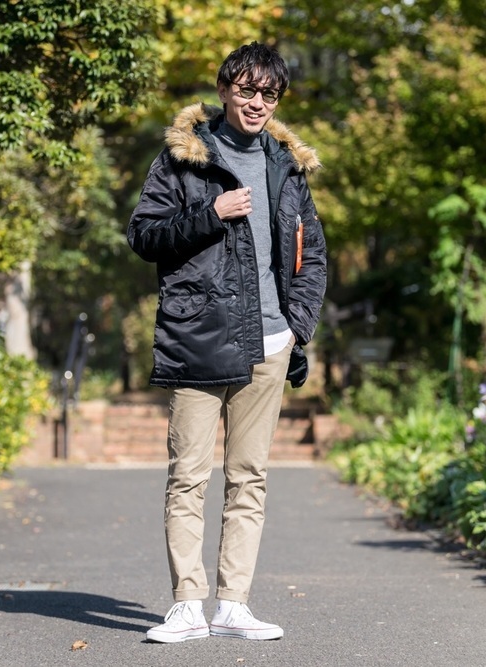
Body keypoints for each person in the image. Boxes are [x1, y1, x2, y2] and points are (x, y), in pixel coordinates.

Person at [127, 41, 326, 643]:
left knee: (249, 477)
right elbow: (144, 235)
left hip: (271, 343)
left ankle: (233, 604)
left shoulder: (286, 165)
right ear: (224, 90)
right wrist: (211, 212)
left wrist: (297, 326)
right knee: (188, 476)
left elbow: (311, 254)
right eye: (247, 90)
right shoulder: (184, 158)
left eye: (269, 94)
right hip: (199, 336)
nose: (257, 102)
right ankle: (188, 604)